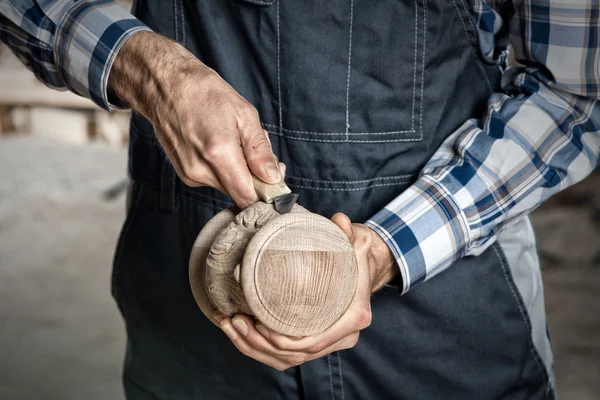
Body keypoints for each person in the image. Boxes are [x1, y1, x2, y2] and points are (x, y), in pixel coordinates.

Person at [1, 0, 598, 398]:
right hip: (192, 320)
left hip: (443, 319)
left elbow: (575, 98)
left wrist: (385, 250)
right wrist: (143, 67)